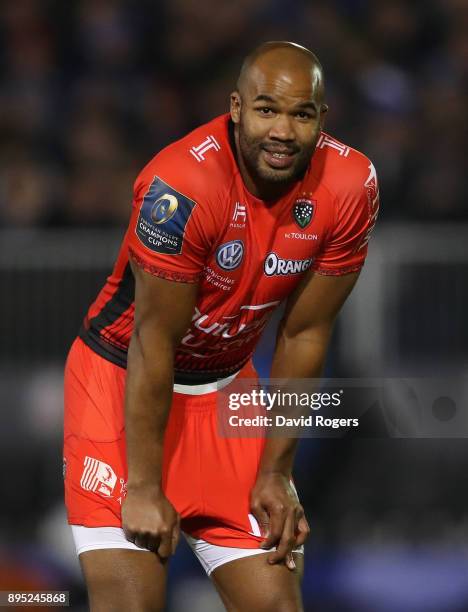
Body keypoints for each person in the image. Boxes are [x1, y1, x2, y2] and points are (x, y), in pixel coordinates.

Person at [63, 41, 379, 611]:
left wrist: (277, 472)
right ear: (235, 108)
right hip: (121, 388)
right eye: (266, 110)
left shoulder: (351, 186)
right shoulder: (181, 187)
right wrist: (142, 485)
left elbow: (305, 334)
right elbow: (152, 341)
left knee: (278, 605)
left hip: (229, 392)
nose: (282, 130)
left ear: (321, 119)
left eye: (300, 114)